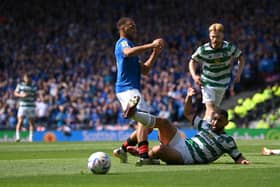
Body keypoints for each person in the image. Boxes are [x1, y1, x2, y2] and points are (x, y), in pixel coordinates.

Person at [123, 87, 250, 165]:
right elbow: (188, 113)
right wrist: (189, 97)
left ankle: (144, 154)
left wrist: (243, 161)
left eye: (219, 121)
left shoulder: (227, 141)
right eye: (214, 119)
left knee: (158, 150)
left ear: (226, 123)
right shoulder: (205, 125)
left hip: (187, 157)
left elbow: (238, 157)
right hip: (184, 143)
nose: (215, 123)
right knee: (165, 122)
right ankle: (133, 114)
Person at [113, 17, 164, 164]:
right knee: (143, 120)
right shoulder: (123, 43)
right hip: (127, 88)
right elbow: (128, 52)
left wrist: (155, 52)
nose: (135, 29)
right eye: (132, 26)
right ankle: (144, 157)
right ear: (122, 28)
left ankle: (123, 150)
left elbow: (145, 70)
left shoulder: (131, 47)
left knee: (147, 126)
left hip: (130, 89)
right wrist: (151, 44)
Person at [188, 23, 245, 122]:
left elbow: (241, 57)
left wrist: (239, 73)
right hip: (207, 82)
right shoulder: (203, 49)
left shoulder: (229, 47)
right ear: (209, 36)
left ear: (223, 35)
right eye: (213, 37)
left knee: (213, 111)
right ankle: (206, 134)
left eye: (217, 37)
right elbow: (192, 61)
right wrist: (194, 76)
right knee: (211, 109)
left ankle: (203, 130)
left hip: (222, 83)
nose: (215, 39)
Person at [14, 73, 37, 142]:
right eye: (26, 78)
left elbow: (35, 95)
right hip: (23, 106)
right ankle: (18, 137)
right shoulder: (20, 85)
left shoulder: (34, 86)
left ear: (30, 79)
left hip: (31, 106)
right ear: (24, 79)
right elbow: (15, 93)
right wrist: (22, 95)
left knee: (32, 122)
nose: (27, 79)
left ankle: (31, 138)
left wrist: (31, 96)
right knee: (20, 121)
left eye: (29, 78)